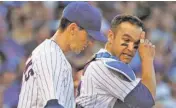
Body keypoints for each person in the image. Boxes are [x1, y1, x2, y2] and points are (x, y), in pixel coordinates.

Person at [17, 2, 106, 108]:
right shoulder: (50, 54)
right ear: (73, 28)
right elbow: (52, 105)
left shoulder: (51, 53)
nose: (90, 42)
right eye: (89, 36)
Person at [76, 15, 156, 108]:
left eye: (136, 44)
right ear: (110, 36)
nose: (131, 48)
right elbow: (147, 101)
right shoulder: (104, 66)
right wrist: (147, 59)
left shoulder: (101, 60)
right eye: (126, 40)